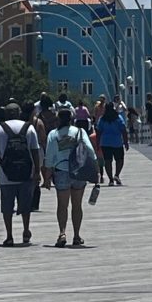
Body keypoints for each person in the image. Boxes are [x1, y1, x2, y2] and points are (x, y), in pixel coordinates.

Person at [43, 104, 97, 248]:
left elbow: (49, 158)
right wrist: (95, 169)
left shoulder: (53, 134)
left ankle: (62, 233)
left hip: (61, 171)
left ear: (58, 120)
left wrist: (47, 177)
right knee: (77, 205)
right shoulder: (79, 132)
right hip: (78, 172)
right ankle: (77, 235)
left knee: (62, 205)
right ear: (71, 119)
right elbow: (90, 151)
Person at [0, 103, 42, 247]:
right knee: (25, 205)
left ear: (6, 114)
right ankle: (26, 230)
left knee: (7, 206)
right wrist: (37, 171)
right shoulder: (29, 128)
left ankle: (9, 236)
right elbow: (35, 151)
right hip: (26, 173)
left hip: (6, 174)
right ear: (19, 113)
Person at [96, 99, 128, 185]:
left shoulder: (102, 119)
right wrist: (126, 142)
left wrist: (97, 143)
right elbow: (123, 130)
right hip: (117, 142)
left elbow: (99, 132)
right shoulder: (118, 118)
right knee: (120, 160)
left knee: (108, 161)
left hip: (105, 143)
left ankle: (110, 179)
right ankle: (116, 175)